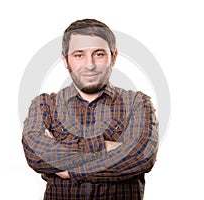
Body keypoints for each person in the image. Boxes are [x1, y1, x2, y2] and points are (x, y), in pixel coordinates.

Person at [22, 19, 159, 200]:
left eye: (99, 54)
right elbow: (36, 156)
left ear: (114, 57)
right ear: (65, 60)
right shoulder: (44, 105)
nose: (90, 64)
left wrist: (70, 171)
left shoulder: (137, 103)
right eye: (79, 55)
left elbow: (141, 157)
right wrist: (106, 147)